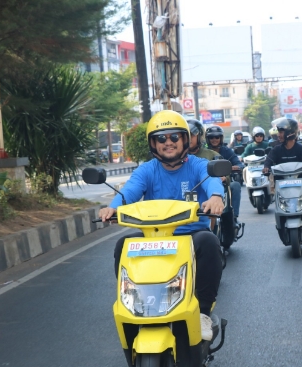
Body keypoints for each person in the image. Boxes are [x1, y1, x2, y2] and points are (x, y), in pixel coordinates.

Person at [98, 110, 225, 341]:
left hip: (191, 235)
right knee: (123, 244)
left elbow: (214, 181)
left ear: (185, 140)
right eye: (162, 138)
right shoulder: (146, 170)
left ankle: (204, 312)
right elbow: (128, 193)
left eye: (174, 137)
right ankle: (133, 303)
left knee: (209, 241)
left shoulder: (198, 165)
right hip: (153, 239)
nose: (169, 142)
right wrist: (113, 208)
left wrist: (216, 196)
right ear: (153, 144)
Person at [206, 125, 244, 221]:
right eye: (211, 137)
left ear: (221, 138)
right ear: (207, 139)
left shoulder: (227, 151)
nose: (214, 139)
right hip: (206, 183)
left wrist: (234, 167)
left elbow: (239, 164)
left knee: (235, 185)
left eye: (217, 137)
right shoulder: (204, 152)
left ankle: (234, 216)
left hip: (225, 184)